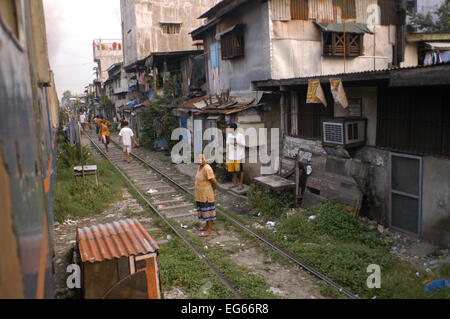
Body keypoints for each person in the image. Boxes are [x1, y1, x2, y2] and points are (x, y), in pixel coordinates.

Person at [195, 154, 217, 238]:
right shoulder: (200, 167)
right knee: (205, 212)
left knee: (209, 213)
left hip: (206, 195)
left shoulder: (207, 168)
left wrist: (214, 189)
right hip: (201, 195)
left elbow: (213, 181)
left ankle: (209, 230)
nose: (199, 161)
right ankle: (207, 226)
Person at [226, 123, 246, 191]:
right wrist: (227, 157)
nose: (228, 129)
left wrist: (236, 143)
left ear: (233, 128)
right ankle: (235, 183)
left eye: (229, 128)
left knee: (241, 170)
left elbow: (244, 144)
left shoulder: (240, 135)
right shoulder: (229, 136)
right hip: (232, 156)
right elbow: (228, 145)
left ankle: (241, 184)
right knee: (234, 170)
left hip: (239, 156)